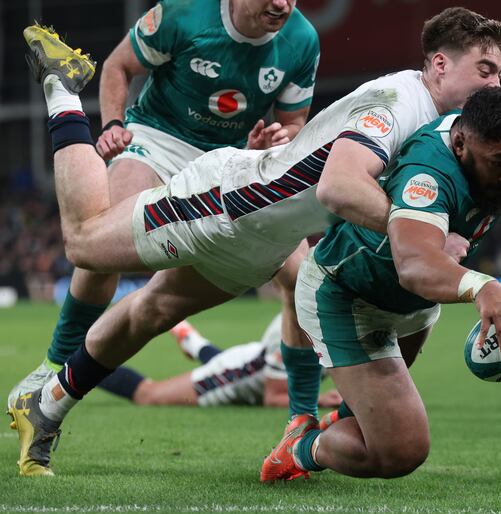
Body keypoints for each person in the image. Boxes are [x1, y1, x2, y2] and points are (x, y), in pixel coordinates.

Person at [9, 12, 501, 477]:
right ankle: (64, 91)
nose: (495, 83)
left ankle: (49, 406)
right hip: (231, 204)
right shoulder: (397, 102)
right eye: (485, 70)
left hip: (266, 239)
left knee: (155, 310)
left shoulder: (461, 130)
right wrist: (419, 231)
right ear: (438, 65)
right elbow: (340, 186)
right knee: (85, 243)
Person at [260, 86, 501, 483]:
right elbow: (415, 265)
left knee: (368, 415)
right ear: (461, 143)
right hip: (348, 293)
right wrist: (484, 286)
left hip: (410, 301)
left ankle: (339, 420)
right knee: (400, 451)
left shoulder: (485, 146)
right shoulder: (427, 176)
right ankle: (300, 447)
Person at [8, 0, 320, 411]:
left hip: (235, 160)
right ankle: (55, 365)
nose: (282, 4)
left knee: (305, 281)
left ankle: (301, 420)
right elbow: (119, 66)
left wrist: (280, 138)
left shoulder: (302, 39)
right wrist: (115, 124)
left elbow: (295, 123)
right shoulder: (185, 12)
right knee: (99, 244)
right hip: (159, 140)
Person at [97, 315, 341, 409]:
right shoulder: (297, 324)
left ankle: (190, 340)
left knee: (227, 361)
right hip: (234, 376)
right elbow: (272, 396)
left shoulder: (341, 317)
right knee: (149, 395)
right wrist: (321, 399)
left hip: (252, 361)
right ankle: (75, 367)